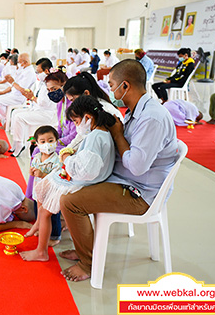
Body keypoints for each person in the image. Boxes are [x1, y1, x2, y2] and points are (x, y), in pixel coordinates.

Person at [58, 59, 179, 282]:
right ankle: (84, 247)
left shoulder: (151, 117)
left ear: (125, 86)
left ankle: (88, 262)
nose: (110, 90)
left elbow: (137, 166)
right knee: (74, 186)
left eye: (112, 85)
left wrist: (117, 135)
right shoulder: (136, 110)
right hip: (126, 179)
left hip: (140, 192)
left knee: (70, 202)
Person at [21, 95, 117, 262]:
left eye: (76, 122)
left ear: (88, 118)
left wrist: (67, 159)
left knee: (44, 209)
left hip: (85, 182)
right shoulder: (98, 131)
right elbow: (79, 148)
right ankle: (39, 227)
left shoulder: (95, 137)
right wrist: (69, 154)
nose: (76, 126)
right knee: (44, 190)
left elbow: (86, 170)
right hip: (83, 177)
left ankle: (41, 251)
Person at [24, 71, 76, 199]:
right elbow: (60, 128)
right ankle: (34, 191)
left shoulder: (73, 105)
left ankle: (37, 193)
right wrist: (46, 139)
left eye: (54, 89)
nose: (51, 92)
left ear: (65, 86)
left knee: (38, 151)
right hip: (62, 140)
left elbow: (74, 134)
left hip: (71, 144)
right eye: (49, 90)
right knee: (37, 147)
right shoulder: (60, 103)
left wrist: (54, 142)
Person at [23, 126, 63, 246]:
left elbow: (57, 177)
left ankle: (55, 236)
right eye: (43, 141)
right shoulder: (37, 157)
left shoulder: (57, 160)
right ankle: (41, 228)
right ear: (37, 144)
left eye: (50, 141)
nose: (47, 144)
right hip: (38, 192)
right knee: (38, 211)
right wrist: (32, 172)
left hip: (51, 194)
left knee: (52, 216)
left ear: (56, 141)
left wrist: (43, 174)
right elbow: (33, 173)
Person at [8, 58, 56, 156]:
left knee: (18, 117)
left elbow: (43, 103)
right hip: (37, 109)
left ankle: (20, 144)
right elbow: (37, 98)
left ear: (46, 71)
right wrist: (31, 96)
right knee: (15, 113)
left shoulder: (50, 84)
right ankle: (16, 142)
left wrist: (32, 97)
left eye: (38, 72)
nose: (37, 74)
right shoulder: (42, 82)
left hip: (45, 114)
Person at [0, 53, 37, 126]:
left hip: (20, 97)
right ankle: (6, 119)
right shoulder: (23, 69)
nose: (17, 64)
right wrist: (2, 92)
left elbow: (22, 89)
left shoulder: (29, 72)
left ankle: (7, 120)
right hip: (14, 94)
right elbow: (13, 85)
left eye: (19, 62)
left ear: (25, 62)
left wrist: (12, 82)